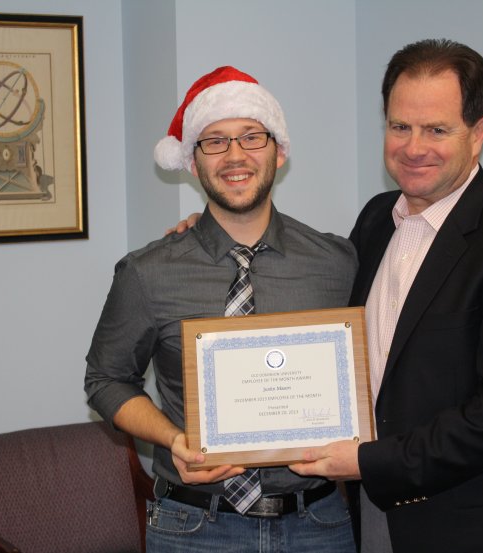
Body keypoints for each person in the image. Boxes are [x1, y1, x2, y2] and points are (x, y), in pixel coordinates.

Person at [289, 39, 483, 553]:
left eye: (437, 129)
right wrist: (217, 232)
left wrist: (365, 462)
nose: (413, 147)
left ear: (478, 133)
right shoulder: (377, 220)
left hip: (468, 528)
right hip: (368, 516)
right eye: (400, 126)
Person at [84, 66, 357, 553]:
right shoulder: (147, 272)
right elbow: (105, 380)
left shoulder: (337, 262)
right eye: (215, 141)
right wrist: (173, 440)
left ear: (279, 150)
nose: (235, 155)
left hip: (317, 524)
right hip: (194, 527)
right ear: (193, 161)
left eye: (252, 136)